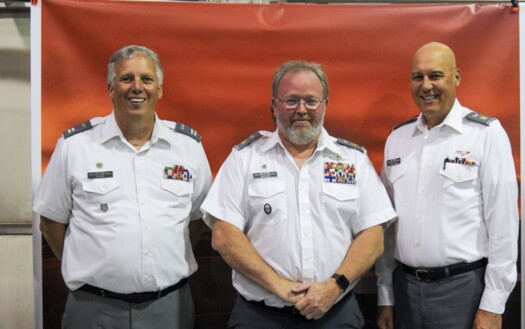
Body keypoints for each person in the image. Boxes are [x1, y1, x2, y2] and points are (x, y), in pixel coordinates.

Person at [200, 60, 396, 328]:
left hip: (336, 314)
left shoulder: (353, 160)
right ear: (274, 106)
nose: (302, 110)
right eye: (291, 100)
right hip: (260, 317)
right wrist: (279, 286)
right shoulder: (245, 159)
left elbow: (373, 236)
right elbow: (223, 235)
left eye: (311, 101)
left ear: (325, 105)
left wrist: (334, 286)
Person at [33, 45, 212, 329]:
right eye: (127, 78)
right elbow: (51, 220)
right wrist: (90, 266)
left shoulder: (188, 147)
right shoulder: (75, 146)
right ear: (111, 88)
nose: (137, 87)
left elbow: (196, 219)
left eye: (147, 79)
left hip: (168, 309)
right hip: (92, 310)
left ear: (160, 89)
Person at [375, 42, 519, 329]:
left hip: (464, 290)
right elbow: (386, 228)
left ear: (457, 77)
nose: (426, 86)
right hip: (404, 289)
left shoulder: (485, 135)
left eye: (435, 75)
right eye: (418, 77)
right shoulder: (398, 139)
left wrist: (492, 305)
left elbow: (503, 225)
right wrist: (385, 295)